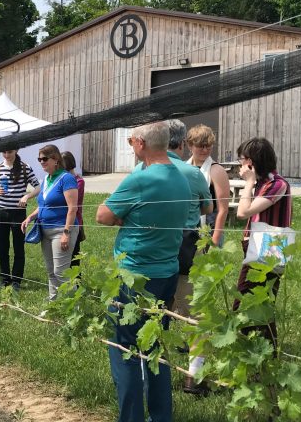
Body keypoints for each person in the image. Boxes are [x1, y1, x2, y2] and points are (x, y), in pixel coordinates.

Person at [96, 121, 191, 422]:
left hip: (135, 275)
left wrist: (124, 218)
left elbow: (103, 215)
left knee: (123, 349)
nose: (130, 146)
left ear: (140, 144)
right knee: (155, 345)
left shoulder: (140, 180)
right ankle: (161, 417)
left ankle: (132, 417)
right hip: (167, 273)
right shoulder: (182, 177)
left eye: (131, 141)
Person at [165, 120, 213, 395]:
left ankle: (154, 369)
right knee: (196, 316)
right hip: (185, 252)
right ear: (183, 144)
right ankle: (193, 377)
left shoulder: (141, 170)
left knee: (156, 312)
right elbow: (207, 205)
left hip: (153, 254)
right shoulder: (192, 173)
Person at [234, 137, 292, 348]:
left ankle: (264, 353)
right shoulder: (262, 183)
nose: (240, 165)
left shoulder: (276, 184)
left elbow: (242, 212)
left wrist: (248, 183)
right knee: (248, 301)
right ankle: (255, 351)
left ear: (251, 161)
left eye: (241, 160)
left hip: (267, 251)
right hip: (254, 248)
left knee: (256, 302)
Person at [21, 144, 78, 301]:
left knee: (61, 272)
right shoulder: (46, 179)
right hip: (45, 230)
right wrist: (30, 217)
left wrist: (66, 233)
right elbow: (43, 205)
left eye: (44, 158)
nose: (41, 162)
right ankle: (53, 303)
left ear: (55, 159)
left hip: (61, 230)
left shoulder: (67, 179)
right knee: (51, 271)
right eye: (39, 159)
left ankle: (77, 306)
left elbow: (72, 208)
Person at [0, 147, 40, 289]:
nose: (7, 155)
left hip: (18, 213)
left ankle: (16, 280)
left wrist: (26, 196)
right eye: (4, 152)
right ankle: (5, 279)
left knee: (18, 247)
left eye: (9, 152)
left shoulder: (25, 168)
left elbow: (38, 187)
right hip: (1, 212)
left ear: (16, 151)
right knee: (2, 248)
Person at [186, 124, 230, 248]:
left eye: (208, 146)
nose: (205, 150)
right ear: (190, 145)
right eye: (200, 146)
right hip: (189, 228)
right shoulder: (185, 167)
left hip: (210, 228)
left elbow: (223, 209)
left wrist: (215, 239)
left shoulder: (216, 170)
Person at [61, 151, 85, 266]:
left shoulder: (78, 181)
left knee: (74, 256)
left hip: (75, 222)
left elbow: (70, 203)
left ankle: (76, 282)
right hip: (61, 221)